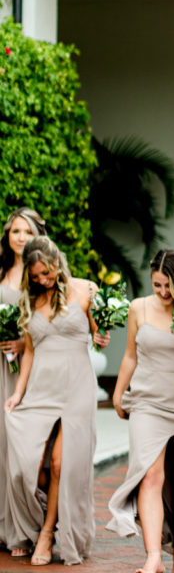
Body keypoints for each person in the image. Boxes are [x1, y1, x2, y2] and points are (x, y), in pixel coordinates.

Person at [106, 250, 174, 573]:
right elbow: (130, 355)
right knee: (150, 473)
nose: (164, 292)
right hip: (148, 401)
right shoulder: (139, 308)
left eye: (170, 286)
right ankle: (153, 557)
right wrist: (119, 394)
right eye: (158, 285)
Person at [4, 236, 109, 565]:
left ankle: (48, 534)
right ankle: (43, 518)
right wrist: (17, 394)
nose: (42, 281)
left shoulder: (87, 290)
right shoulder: (31, 300)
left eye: (46, 274)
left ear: (57, 263)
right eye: (35, 277)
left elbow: (100, 339)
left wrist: (102, 336)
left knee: (63, 463)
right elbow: (30, 353)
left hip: (77, 386)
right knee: (27, 466)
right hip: (40, 388)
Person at [0, 208, 48, 551]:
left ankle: (25, 528)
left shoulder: (43, 274)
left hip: (30, 369)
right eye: (15, 231)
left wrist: (21, 342)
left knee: (23, 452)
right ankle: (5, 528)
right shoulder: (1, 270)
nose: (20, 237)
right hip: (0, 368)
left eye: (26, 231)